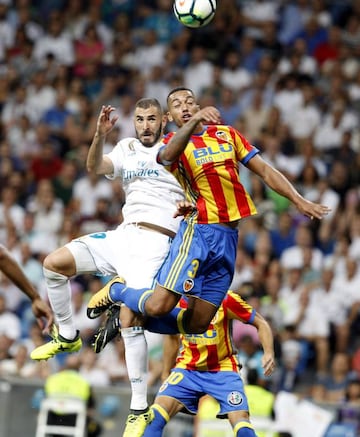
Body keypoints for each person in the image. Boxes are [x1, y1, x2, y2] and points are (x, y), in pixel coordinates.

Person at [88, 86, 331, 336]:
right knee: (160, 305)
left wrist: (298, 200)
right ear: (169, 117)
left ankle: (129, 317)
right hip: (198, 232)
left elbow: (266, 171)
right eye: (177, 104)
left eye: (189, 102)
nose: (184, 106)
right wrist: (193, 122)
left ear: (198, 106)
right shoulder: (172, 143)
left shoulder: (228, 135)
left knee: (198, 324)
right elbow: (167, 158)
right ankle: (117, 290)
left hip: (228, 238)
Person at [30, 100, 185, 435]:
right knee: (53, 264)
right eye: (140, 119)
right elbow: (95, 167)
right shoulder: (127, 146)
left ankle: (139, 407)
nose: (145, 125)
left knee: (132, 315)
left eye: (151, 119)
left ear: (164, 121)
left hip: (156, 242)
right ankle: (69, 336)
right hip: (122, 235)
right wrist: (99, 135)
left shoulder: (178, 150)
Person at [121, 290, 275, 437]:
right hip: (188, 369)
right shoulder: (174, 301)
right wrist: (165, 372)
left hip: (222, 369)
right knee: (153, 418)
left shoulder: (226, 299)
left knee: (241, 424)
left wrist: (268, 352)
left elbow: (261, 323)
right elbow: (172, 337)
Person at [0, 244, 53, 332]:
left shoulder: (35, 266)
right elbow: (2, 256)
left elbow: (2, 256)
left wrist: (35, 298)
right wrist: (35, 298)